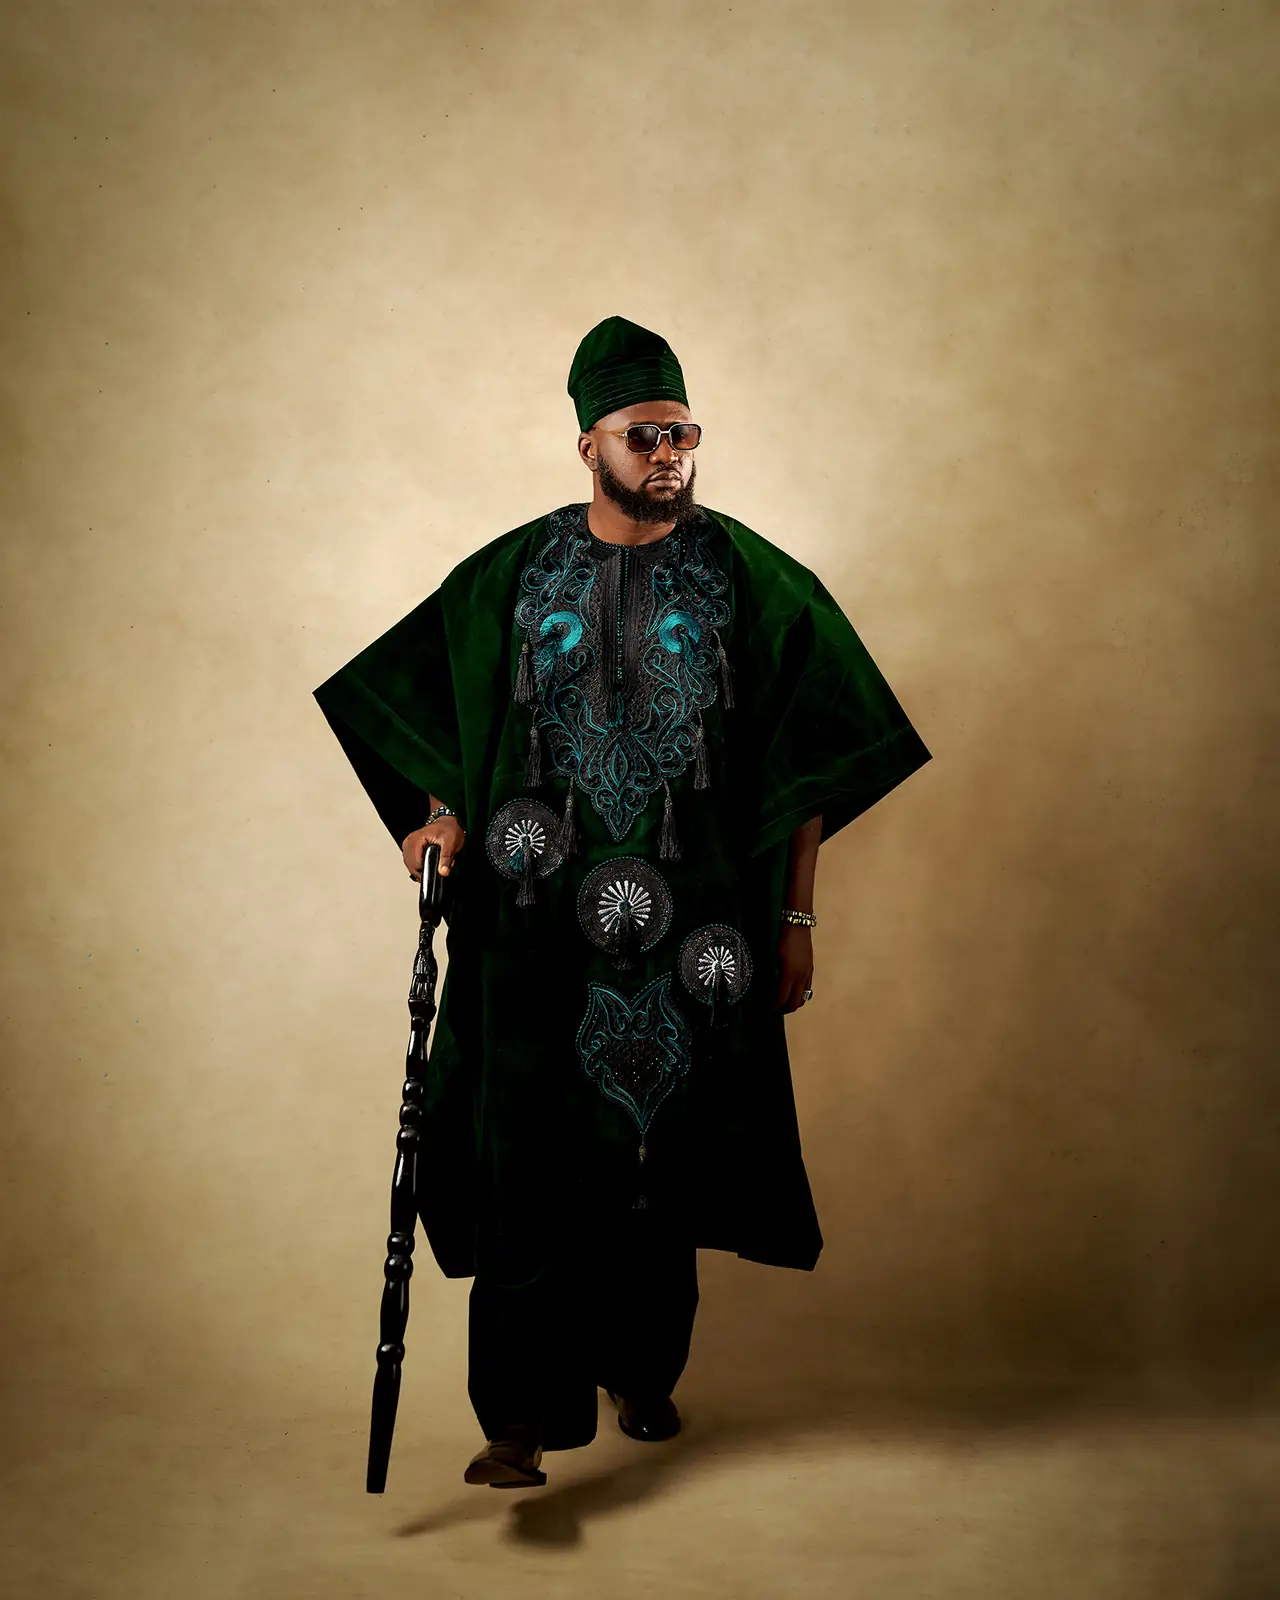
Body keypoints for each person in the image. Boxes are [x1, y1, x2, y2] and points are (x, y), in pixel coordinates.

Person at [313, 315, 931, 1488]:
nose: (668, 455)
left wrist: (796, 920)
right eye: (643, 435)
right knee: (525, 1155)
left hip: (694, 928)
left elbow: (807, 759)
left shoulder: (752, 579)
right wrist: (431, 818)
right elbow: (442, 711)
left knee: (659, 1151)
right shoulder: (508, 576)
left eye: (682, 433)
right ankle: (517, 1418)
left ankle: (642, 1369)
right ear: (586, 444)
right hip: (528, 925)